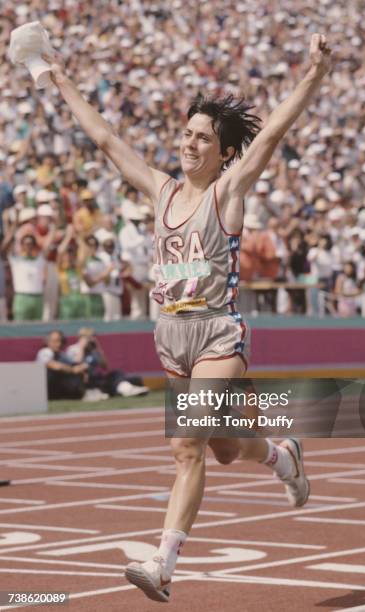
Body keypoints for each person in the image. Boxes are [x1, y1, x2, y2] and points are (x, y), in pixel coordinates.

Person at [42, 32, 332, 602]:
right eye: (187, 133)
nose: (191, 144)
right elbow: (104, 136)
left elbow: (271, 131)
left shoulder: (229, 190)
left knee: (186, 445)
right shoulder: (160, 190)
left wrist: (314, 75)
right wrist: (58, 79)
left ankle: (163, 563)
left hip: (218, 331)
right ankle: (281, 454)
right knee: (226, 447)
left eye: (204, 138)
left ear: (224, 151)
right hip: (170, 333)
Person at [66, 327, 149, 397]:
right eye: (89, 337)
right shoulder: (73, 349)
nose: (91, 340)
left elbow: (105, 366)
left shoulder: (93, 351)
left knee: (117, 373)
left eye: (93, 337)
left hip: (97, 378)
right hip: (84, 381)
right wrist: (82, 348)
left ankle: (126, 389)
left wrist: (98, 349)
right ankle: (123, 390)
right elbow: (75, 366)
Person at [36, 330, 88, 400]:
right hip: (44, 388)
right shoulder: (45, 351)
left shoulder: (62, 355)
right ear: (47, 342)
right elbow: (53, 365)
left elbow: (75, 364)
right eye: (55, 341)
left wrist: (82, 369)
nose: (58, 344)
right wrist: (72, 370)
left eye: (60, 341)